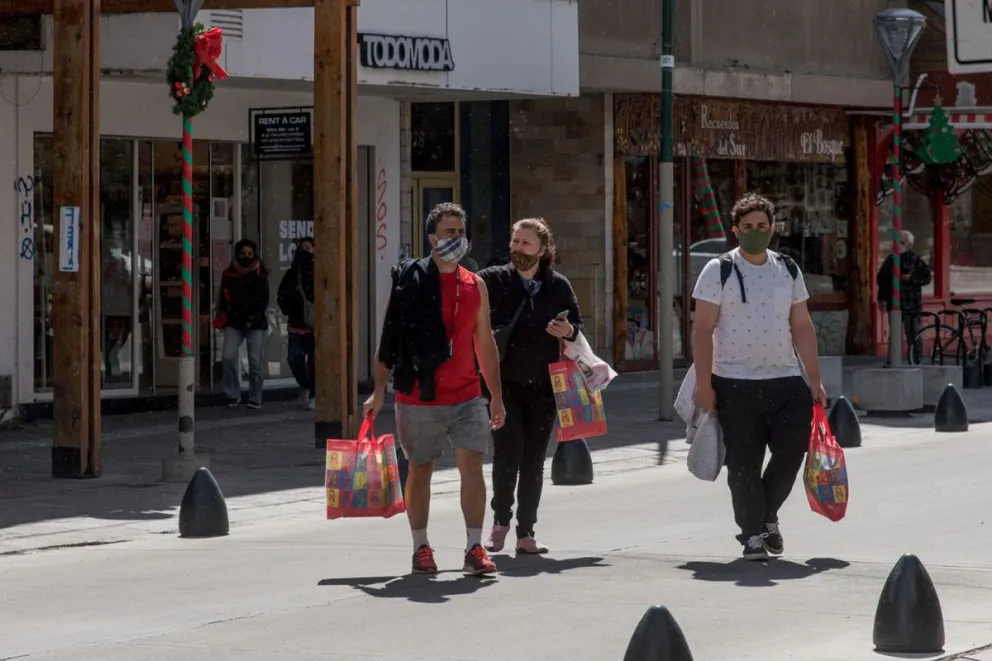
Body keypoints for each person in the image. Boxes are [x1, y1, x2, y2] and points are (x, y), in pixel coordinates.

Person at [363, 202, 506, 576]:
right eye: (448, 232)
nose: (456, 238)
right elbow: (389, 339)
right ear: (431, 238)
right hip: (418, 395)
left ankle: (475, 546)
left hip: (467, 395)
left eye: (460, 232)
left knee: (472, 466)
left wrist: (496, 397)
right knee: (420, 470)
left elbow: (484, 344)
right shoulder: (409, 280)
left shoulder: (475, 285)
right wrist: (378, 391)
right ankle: (420, 546)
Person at [692, 192, 827, 561]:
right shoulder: (717, 270)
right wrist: (704, 385)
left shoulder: (787, 269)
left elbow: (801, 325)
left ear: (772, 230)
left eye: (762, 227)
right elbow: (702, 330)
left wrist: (814, 379)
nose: (755, 232)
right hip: (735, 383)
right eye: (747, 227)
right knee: (743, 464)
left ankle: (767, 514)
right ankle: (752, 533)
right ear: (735, 230)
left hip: (786, 381)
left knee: (791, 453)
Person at [479, 218, 582, 555]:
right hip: (503, 383)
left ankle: (526, 532)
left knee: (534, 458)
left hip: (545, 385)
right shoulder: (493, 280)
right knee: (507, 453)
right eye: (515, 241)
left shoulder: (558, 285)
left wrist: (565, 331)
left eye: (526, 243)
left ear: (543, 248)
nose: (519, 248)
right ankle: (500, 523)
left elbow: (576, 327)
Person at [217, 239, 270, 409]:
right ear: (237, 254)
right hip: (235, 321)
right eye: (242, 253)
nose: (246, 257)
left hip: (256, 323)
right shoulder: (229, 274)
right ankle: (232, 393)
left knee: (255, 362)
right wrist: (226, 313)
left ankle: (255, 397)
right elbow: (223, 296)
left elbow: (263, 300)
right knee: (228, 357)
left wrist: (252, 318)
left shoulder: (260, 273)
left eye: (249, 253)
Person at [876, 230, 932, 364]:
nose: (898, 245)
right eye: (897, 242)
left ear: (909, 245)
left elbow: (926, 277)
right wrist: (881, 298)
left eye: (902, 242)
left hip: (911, 303)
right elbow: (882, 279)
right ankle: (893, 360)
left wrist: (912, 277)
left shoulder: (915, 259)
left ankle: (915, 359)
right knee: (895, 334)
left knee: (913, 332)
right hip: (894, 303)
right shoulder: (891, 259)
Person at [278, 237, 316, 410]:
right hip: (297, 325)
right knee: (295, 360)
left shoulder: (321, 271)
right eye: (303, 248)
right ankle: (306, 386)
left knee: (315, 363)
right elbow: (282, 295)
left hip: (316, 327)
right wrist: (291, 310)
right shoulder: (293, 273)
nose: (306, 251)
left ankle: (315, 393)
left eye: (309, 248)